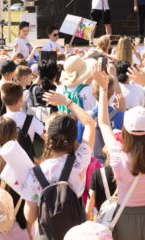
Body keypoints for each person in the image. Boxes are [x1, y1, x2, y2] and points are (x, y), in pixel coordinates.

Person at [96, 64, 145, 240]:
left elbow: (103, 122)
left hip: (125, 217)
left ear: (125, 130)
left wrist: (103, 89)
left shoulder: (117, 152)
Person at [21, 90, 96, 235]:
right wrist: (67, 102)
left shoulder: (35, 174)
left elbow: (30, 216)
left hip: (47, 234)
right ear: (74, 137)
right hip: (77, 232)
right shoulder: (80, 160)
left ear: (47, 136)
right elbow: (89, 124)